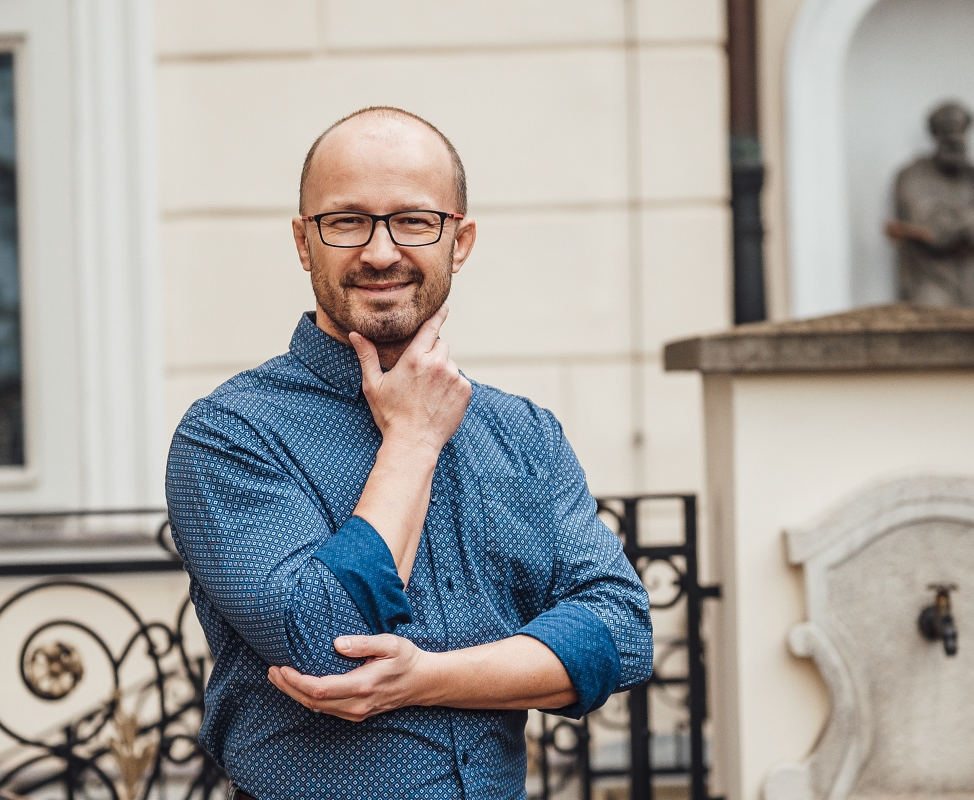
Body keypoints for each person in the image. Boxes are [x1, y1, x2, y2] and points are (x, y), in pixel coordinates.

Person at [165, 106, 653, 800]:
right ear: (304, 243)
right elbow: (322, 638)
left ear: (461, 241)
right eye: (347, 221)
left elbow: (621, 632)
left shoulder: (523, 434)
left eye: (415, 221)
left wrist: (426, 678)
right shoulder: (231, 434)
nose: (382, 251)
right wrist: (414, 438)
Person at [885, 101, 974, 310]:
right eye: (946, 135)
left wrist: (959, 222)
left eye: (959, 135)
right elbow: (934, 229)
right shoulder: (912, 177)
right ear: (935, 137)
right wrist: (973, 221)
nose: (954, 140)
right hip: (933, 280)